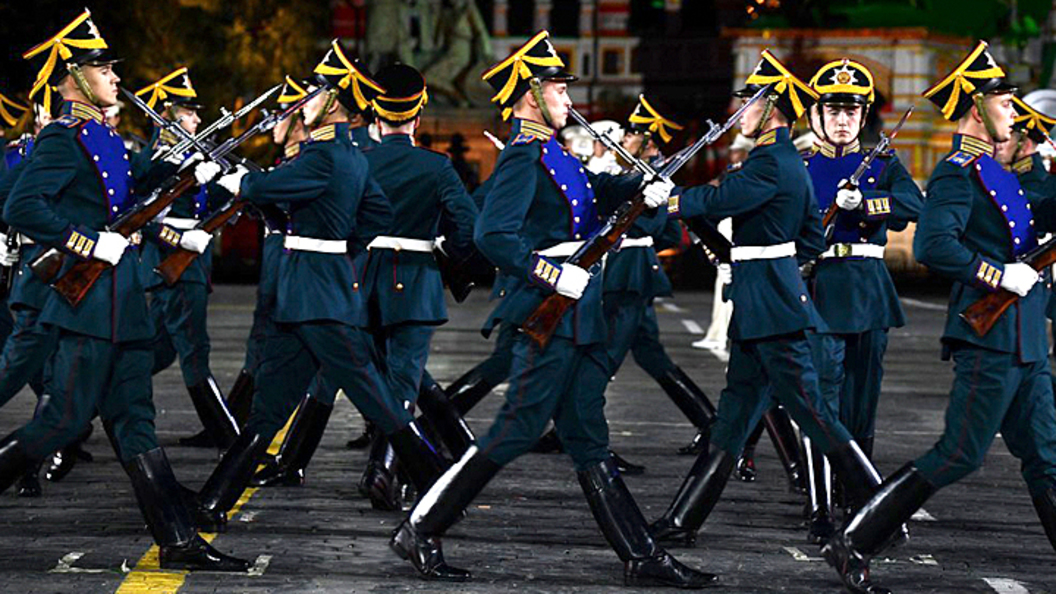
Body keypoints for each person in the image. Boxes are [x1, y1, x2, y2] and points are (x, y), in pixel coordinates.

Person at [388, 30, 716, 588]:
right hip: (548, 307)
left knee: (587, 432)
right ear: (530, 95)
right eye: (559, 90)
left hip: (576, 311)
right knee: (514, 430)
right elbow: (493, 236)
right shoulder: (522, 157)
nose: (569, 100)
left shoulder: (555, 154)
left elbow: (595, 192)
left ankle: (640, 556)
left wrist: (645, 187)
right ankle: (420, 528)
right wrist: (547, 271)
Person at [0, 9, 248, 571]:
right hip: (87, 308)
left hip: (124, 305)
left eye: (111, 67)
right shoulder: (65, 139)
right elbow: (21, 206)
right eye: (100, 68)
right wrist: (84, 244)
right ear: (72, 79)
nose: (114, 76)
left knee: (136, 420)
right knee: (60, 422)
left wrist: (189, 181)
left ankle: (178, 540)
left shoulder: (108, 138)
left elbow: (133, 200)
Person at [823, 41, 1056, 594]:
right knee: (958, 453)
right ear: (977, 108)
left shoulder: (996, 172)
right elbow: (934, 244)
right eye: (1005, 102)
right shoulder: (958, 173)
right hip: (991, 337)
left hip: (1027, 341)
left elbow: (1034, 215)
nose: (1014, 112)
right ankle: (854, 540)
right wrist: (998, 275)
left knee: (1046, 456)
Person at [191, 40, 448, 531]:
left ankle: (441, 488)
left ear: (333, 103)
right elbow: (376, 214)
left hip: (319, 301)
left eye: (313, 94)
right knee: (268, 410)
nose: (303, 102)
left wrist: (227, 178)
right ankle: (213, 501)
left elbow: (265, 188)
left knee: (378, 399)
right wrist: (334, 244)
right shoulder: (349, 157)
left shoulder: (325, 156)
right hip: (311, 295)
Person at [650, 49, 888, 550]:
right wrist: (759, 260)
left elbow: (721, 200)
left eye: (747, 102)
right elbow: (809, 240)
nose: (740, 111)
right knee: (733, 420)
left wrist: (670, 198)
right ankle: (683, 519)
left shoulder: (772, 160)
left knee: (816, 415)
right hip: (767, 304)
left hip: (775, 312)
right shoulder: (784, 160)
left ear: (770, 107)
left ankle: (883, 511)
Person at [800, 58, 923, 542]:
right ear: (818, 115)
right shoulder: (803, 167)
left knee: (862, 399)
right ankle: (820, 505)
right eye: (833, 110)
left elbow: (914, 206)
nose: (843, 119)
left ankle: (860, 496)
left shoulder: (884, 164)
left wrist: (869, 204)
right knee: (822, 399)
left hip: (869, 287)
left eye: (852, 111)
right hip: (822, 285)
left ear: (863, 115)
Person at [132, 67, 241, 451]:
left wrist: (223, 189)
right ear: (168, 117)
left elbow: (200, 207)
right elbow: (141, 216)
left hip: (187, 264)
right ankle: (225, 435)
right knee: (195, 348)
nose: (197, 119)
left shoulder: (193, 155)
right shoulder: (154, 160)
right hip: (174, 263)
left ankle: (97, 403)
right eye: (188, 112)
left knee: (156, 350)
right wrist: (179, 238)